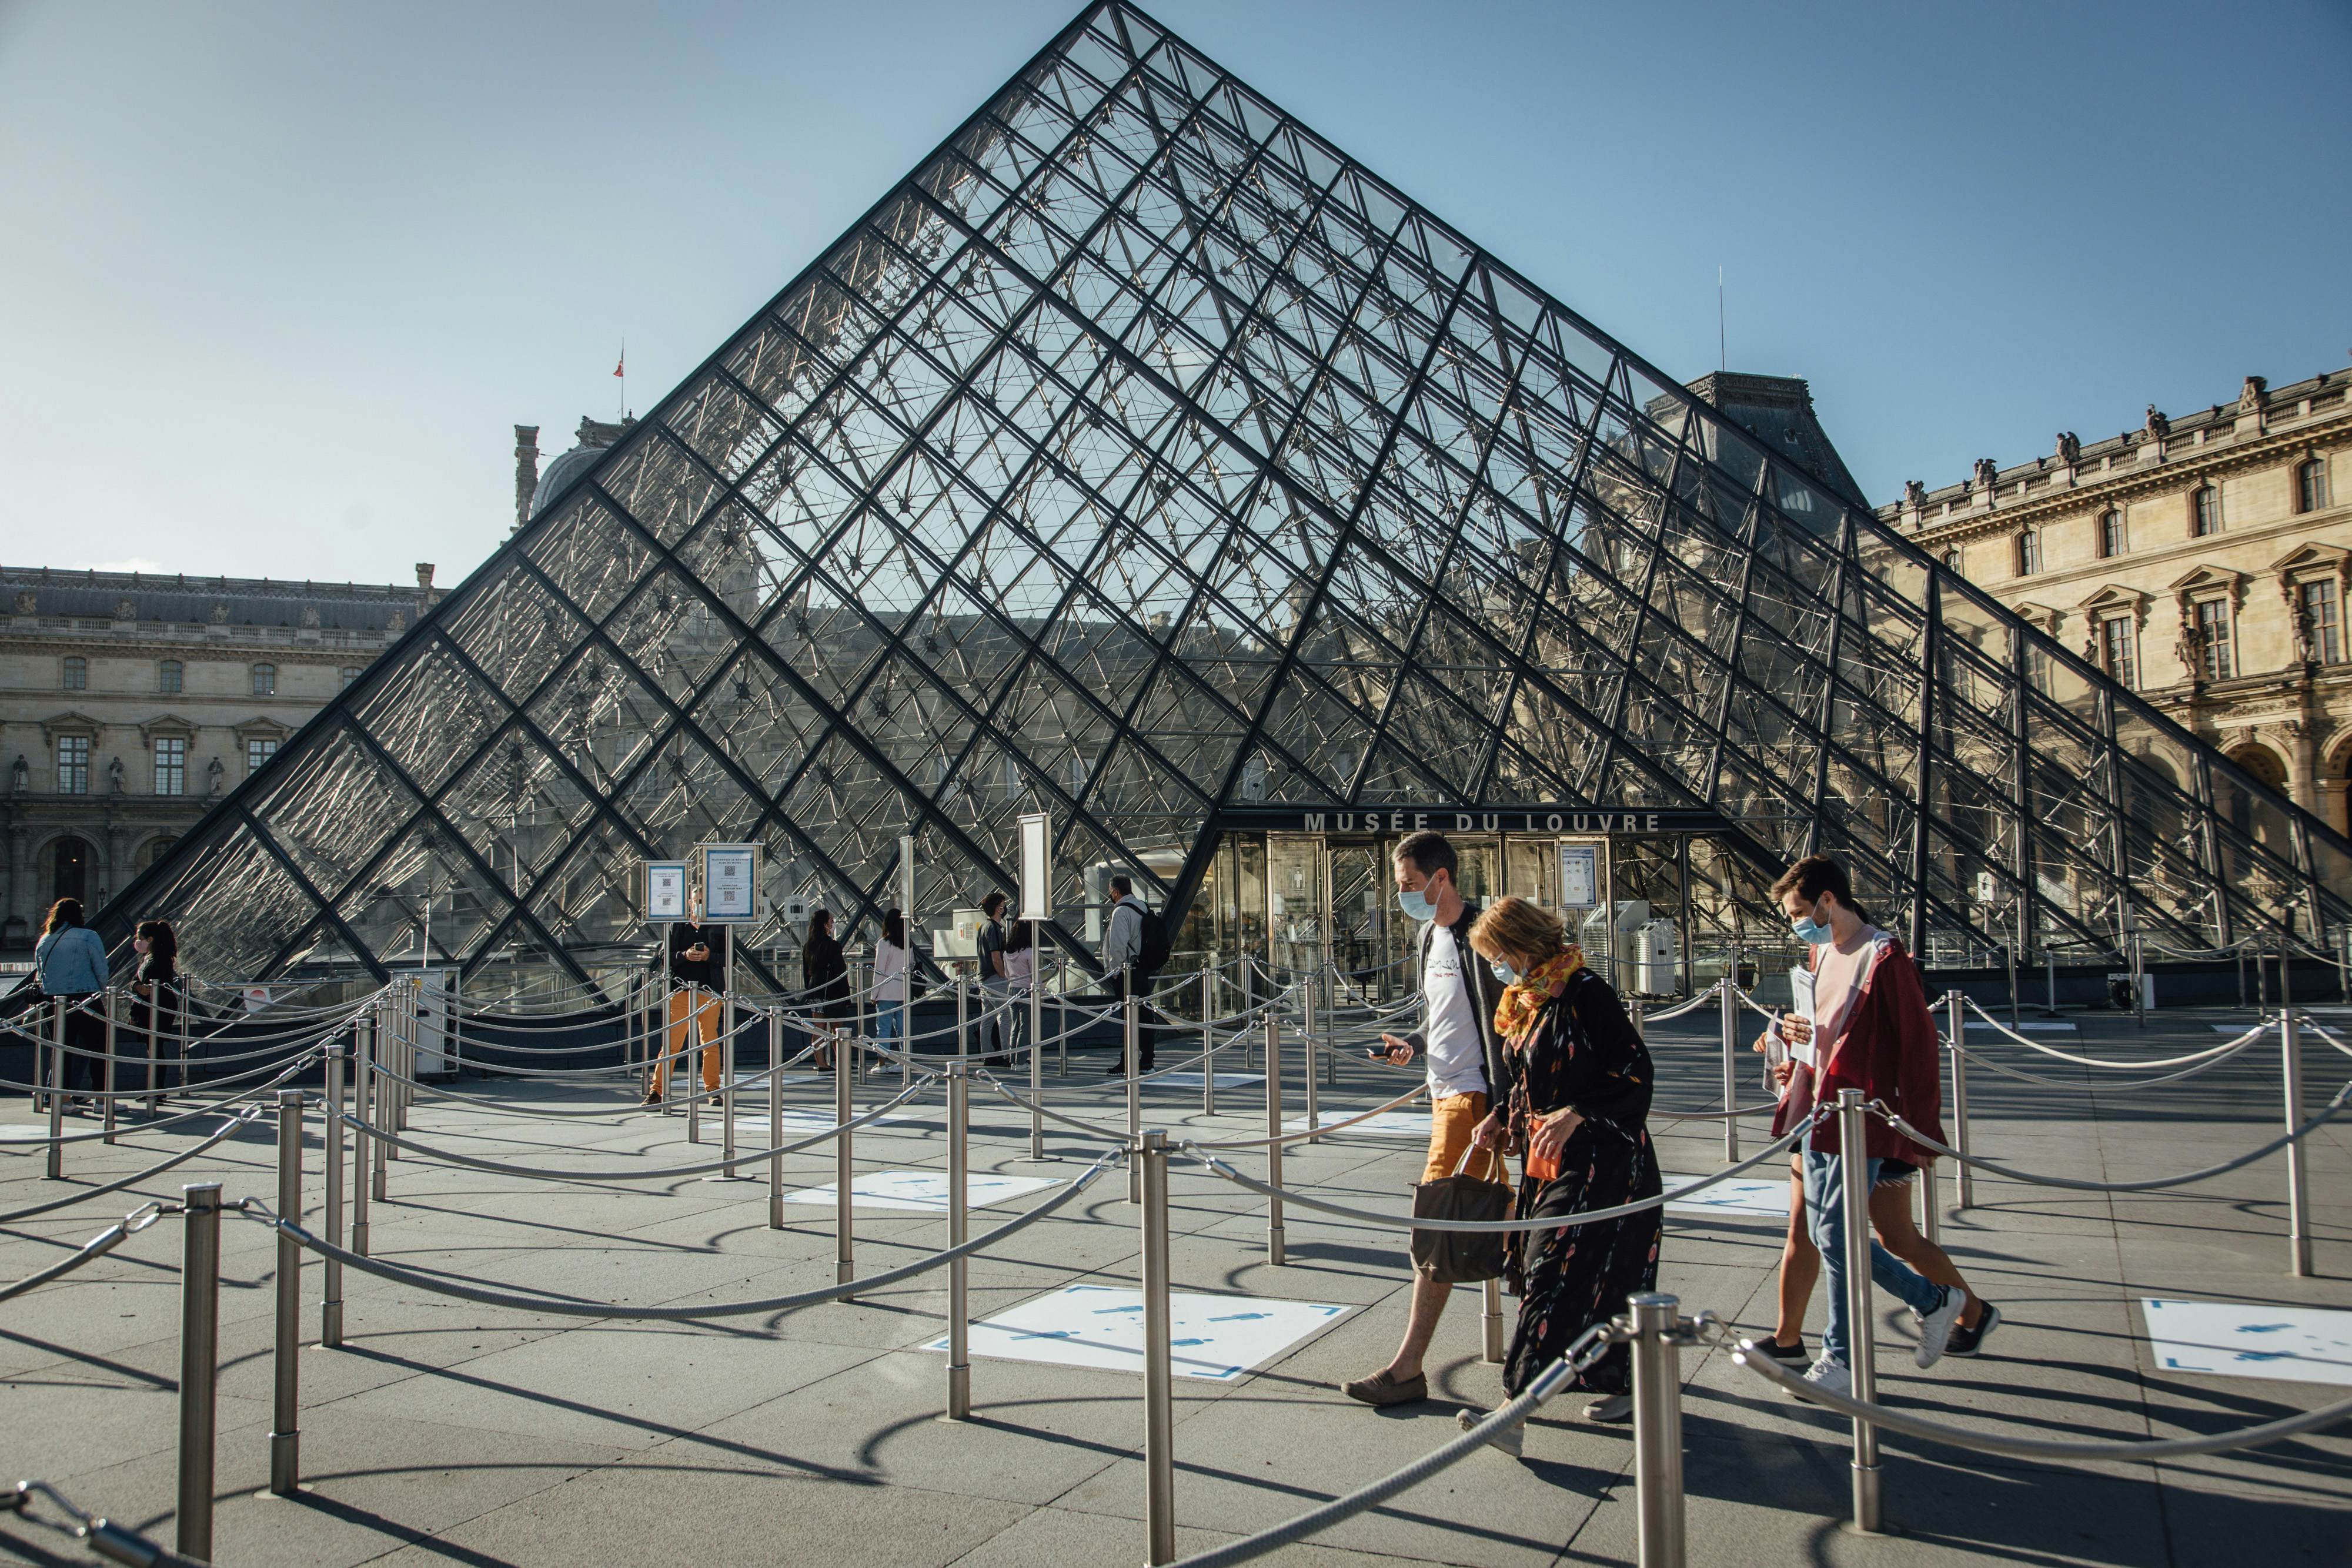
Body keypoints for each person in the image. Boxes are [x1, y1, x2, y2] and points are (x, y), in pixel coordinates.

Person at [1453, 897, 1659, 1449]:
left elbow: (1636, 1070)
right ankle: (1623, 1380)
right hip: (1552, 1159)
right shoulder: (1529, 998)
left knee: (1553, 1270)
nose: (1496, 966)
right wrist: (1501, 1116)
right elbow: (1528, 1079)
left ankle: (1512, 1411)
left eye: (1497, 954)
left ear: (1522, 944)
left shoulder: (1584, 991)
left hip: (1605, 1161)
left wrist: (1578, 1112)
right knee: (1595, 1274)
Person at [1760, 854, 1967, 1398]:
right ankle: (1925, 1307)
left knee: (1834, 1233)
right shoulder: (1820, 950)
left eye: (1800, 910)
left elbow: (1919, 1047)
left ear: (1829, 899)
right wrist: (1794, 1042)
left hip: (1862, 1116)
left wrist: (1923, 1131)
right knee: (1834, 1235)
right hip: (1822, 1110)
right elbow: (1822, 1034)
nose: (1795, 922)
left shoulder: (1885, 957)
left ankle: (1849, 1352)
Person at [1341, 830, 1508, 1408]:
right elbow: (1444, 1017)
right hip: (1444, 1094)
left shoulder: (1483, 936)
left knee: (1437, 1230)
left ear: (1442, 878)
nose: (1403, 895)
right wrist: (1411, 1043)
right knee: (1501, 1219)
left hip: (1472, 1100)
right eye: (1399, 886)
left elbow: (1508, 1022)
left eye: (1410, 885)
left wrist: (1505, 1103)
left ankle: (1407, 1368)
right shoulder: (1428, 936)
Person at [645, 890, 727, 1107]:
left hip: (710, 993)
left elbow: (731, 958)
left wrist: (710, 956)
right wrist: (685, 955)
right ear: (689, 903)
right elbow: (665, 957)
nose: (699, 905)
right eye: (696, 901)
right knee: (672, 1044)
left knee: (710, 1043)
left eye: (703, 901)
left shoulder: (719, 927)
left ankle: (713, 1091)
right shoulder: (677, 926)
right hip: (680, 992)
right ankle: (657, 1091)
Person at [34, 898, 109, 1108]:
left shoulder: (45, 940)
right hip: (85, 997)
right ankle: (102, 1101)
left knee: (61, 1050)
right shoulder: (88, 936)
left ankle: (63, 1100)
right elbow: (101, 969)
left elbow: (41, 973)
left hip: (53, 1000)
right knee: (99, 1049)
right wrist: (101, 991)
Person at [1099, 874, 1158, 1075]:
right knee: (1143, 1016)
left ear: (1115, 891)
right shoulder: (1142, 906)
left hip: (1127, 972)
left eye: (1110, 891)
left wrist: (1115, 972)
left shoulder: (1121, 911)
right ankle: (1147, 1059)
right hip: (1142, 969)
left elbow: (1117, 946)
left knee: (1128, 1019)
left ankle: (1129, 1061)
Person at [130, 918, 182, 1095]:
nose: (137, 941)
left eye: (140, 937)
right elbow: (136, 980)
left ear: (150, 939)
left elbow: (158, 982)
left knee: (155, 1049)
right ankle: (155, 1088)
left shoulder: (160, 958)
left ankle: (156, 1089)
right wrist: (137, 987)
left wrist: (143, 988)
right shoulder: (149, 957)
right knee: (153, 1048)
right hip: (150, 1006)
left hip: (157, 1007)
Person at [803, 907, 851, 1072]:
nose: (833, 923)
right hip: (834, 992)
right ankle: (842, 1062)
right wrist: (846, 996)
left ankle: (821, 1063)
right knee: (837, 1029)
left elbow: (806, 973)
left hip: (816, 991)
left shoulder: (809, 945)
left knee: (818, 1029)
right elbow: (840, 972)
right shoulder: (833, 945)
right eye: (831, 921)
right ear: (825, 924)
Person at [872, 907, 911, 1069]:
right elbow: (911, 966)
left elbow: (879, 971)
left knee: (884, 1029)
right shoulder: (907, 943)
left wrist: (874, 994)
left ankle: (882, 1063)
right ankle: (904, 1061)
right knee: (903, 1029)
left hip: (886, 992)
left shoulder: (884, 943)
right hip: (903, 992)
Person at [976, 891, 1011, 1068]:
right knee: (1005, 1015)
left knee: (987, 1018)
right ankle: (1007, 1055)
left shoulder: (983, 927)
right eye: (1003, 905)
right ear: (999, 908)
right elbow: (996, 957)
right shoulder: (994, 929)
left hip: (983, 977)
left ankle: (988, 1055)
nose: (1005, 908)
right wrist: (1004, 976)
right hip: (995, 978)